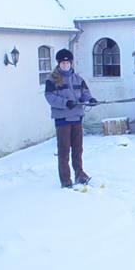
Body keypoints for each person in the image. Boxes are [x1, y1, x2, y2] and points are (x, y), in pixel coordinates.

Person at [45, 48, 98, 187]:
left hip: (77, 118)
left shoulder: (78, 79)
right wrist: (65, 103)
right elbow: (49, 97)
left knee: (78, 150)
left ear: (71, 64)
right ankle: (66, 180)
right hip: (62, 120)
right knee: (64, 151)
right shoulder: (53, 80)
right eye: (62, 63)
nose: (65, 65)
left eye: (67, 63)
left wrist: (90, 99)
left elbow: (85, 92)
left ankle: (80, 175)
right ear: (58, 64)